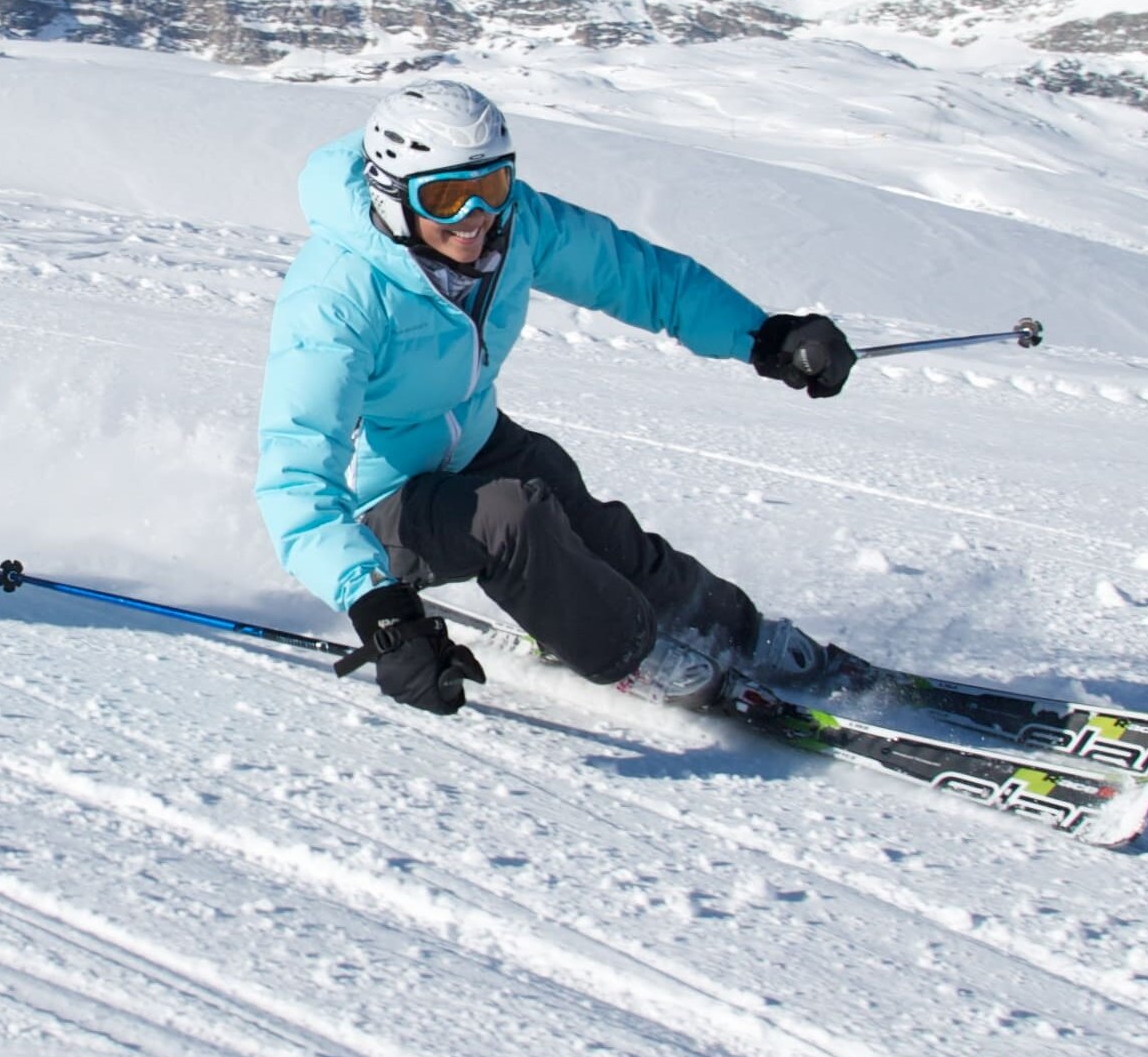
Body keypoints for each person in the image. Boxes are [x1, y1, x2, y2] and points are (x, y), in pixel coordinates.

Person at [256, 81, 863, 719]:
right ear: (392, 193)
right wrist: (377, 606)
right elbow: (296, 477)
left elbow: (637, 276)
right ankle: (632, 653)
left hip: (471, 441)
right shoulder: (335, 297)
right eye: (443, 197)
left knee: (575, 508)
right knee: (509, 517)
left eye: (490, 187)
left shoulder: (516, 227)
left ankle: (736, 631)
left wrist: (763, 336)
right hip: (379, 508)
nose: (473, 219)